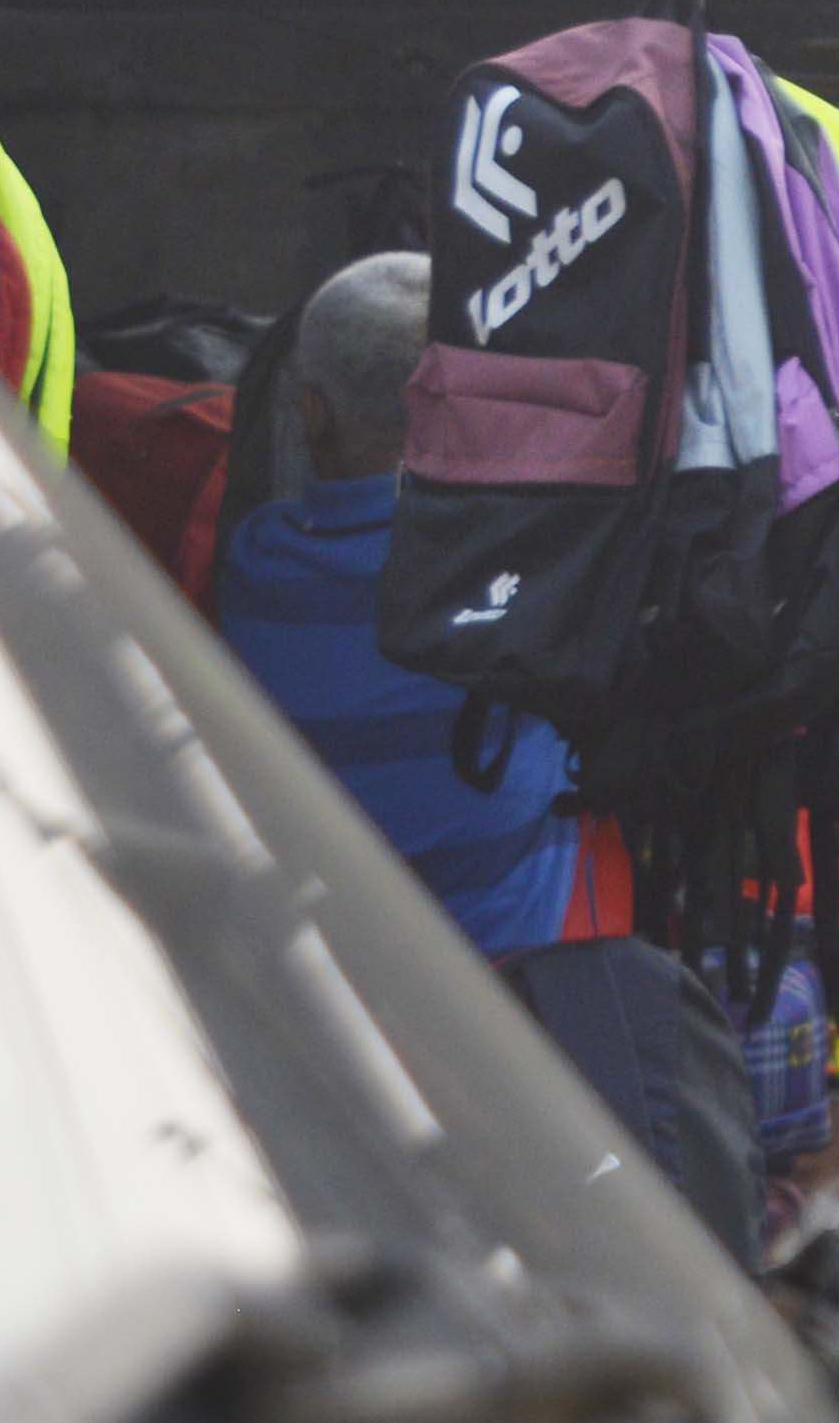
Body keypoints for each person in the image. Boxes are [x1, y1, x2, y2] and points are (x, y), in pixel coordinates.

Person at [212, 253, 765, 1263]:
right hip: (508, 1053)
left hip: (316, 1059)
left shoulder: (250, 572)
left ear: (311, 416)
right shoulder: (541, 595)